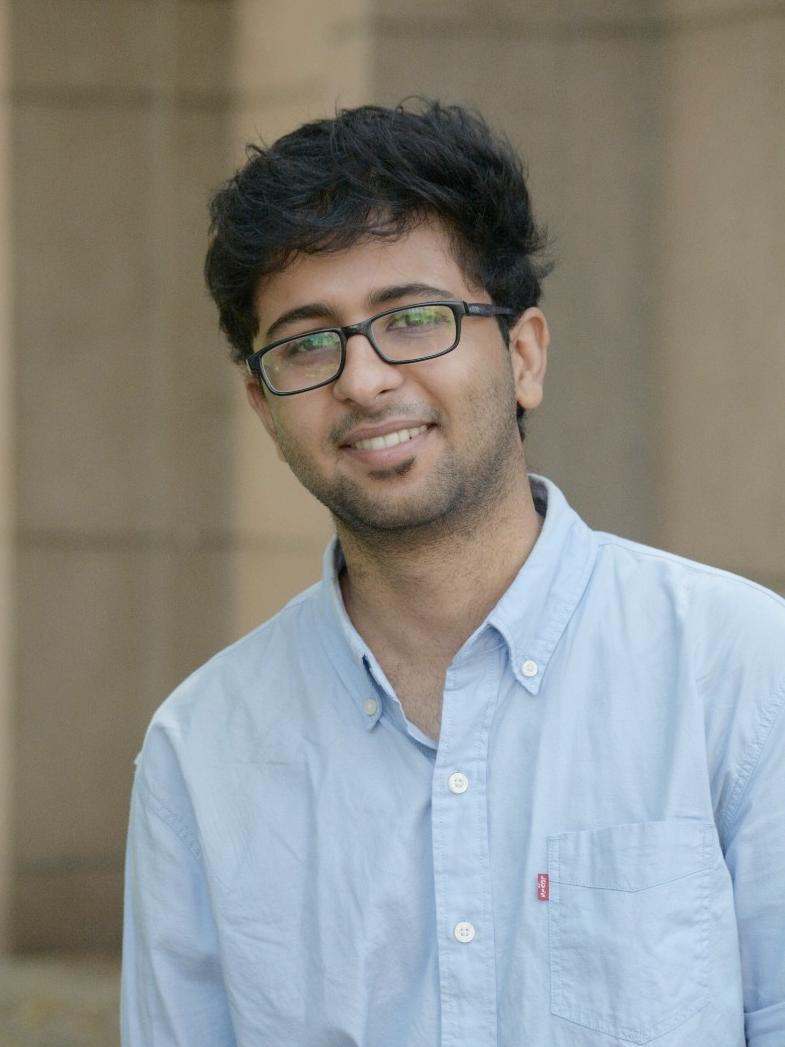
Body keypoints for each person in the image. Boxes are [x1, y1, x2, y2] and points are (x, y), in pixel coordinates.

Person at [121, 101, 785, 1047]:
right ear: (264, 408)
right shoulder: (201, 751)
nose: (362, 379)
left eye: (413, 319)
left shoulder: (742, 675)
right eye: (306, 342)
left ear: (522, 355)